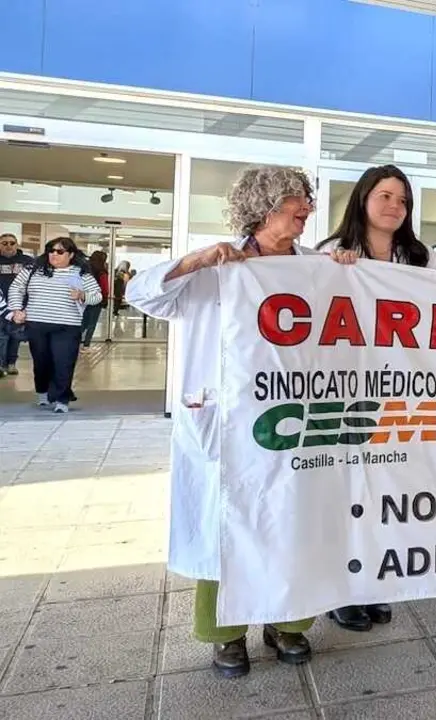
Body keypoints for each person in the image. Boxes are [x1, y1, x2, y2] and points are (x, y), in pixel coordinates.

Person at [126, 165, 341, 679]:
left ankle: (288, 623)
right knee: (224, 523)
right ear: (265, 206)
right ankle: (225, 634)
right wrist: (194, 260)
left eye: (307, 200)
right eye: (297, 200)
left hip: (290, 414)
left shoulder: (317, 266)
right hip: (222, 415)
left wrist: (348, 267)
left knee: (293, 518)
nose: (307, 208)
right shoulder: (215, 262)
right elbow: (141, 295)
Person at [319, 164, 436, 631]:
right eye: (385, 196)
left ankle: (371, 583)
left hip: (401, 389)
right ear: (363, 198)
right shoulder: (332, 252)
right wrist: (332, 273)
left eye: (403, 199)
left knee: (385, 490)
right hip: (348, 390)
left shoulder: (418, 256)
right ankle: (340, 588)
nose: (395, 206)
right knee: (345, 491)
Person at [7, 237, 102, 412]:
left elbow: (97, 296)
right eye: (51, 250)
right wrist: (16, 310)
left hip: (67, 326)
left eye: (59, 251)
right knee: (42, 362)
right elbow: (16, 288)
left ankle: (62, 400)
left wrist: (82, 295)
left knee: (63, 362)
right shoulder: (33, 269)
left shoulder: (80, 273)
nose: (54, 255)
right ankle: (43, 393)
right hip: (37, 324)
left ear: (71, 254)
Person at [0, 232, 32, 375]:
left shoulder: (27, 261)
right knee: (1, 337)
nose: (8, 246)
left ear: (17, 244)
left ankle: (11, 363)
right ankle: (1, 365)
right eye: (4, 243)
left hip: (19, 307)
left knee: (15, 337)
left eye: (12, 243)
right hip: (0, 307)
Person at [81, 250, 110, 347]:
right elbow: (104, 288)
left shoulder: (85, 269)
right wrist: (105, 299)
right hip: (97, 299)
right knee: (92, 323)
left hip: (84, 298)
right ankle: (86, 344)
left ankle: (75, 341)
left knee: (84, 322)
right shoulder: (102, 272)